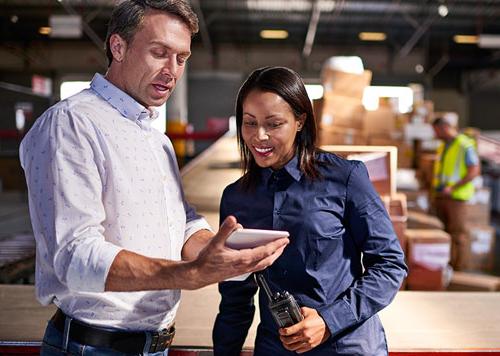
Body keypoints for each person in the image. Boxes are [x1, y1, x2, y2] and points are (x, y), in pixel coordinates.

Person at [19, 2, 288, 355]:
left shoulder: (155, 138)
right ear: (118, 47)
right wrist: (188, 273)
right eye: (159, 53)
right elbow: (75, 256)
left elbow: (179, 223)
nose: (172, 71)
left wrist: (222, 252)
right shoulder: (72, 124)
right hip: (93, 346)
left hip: (153, 346)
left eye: (182, 58)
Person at [212, 66, 407, 355]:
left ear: (300, 121)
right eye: (249, 123)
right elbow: (235, 296)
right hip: (276, 348)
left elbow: (390, 265)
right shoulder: (237, 199)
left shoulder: (345, 178)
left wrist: (330, 320)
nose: (259, 136)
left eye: (274, 124)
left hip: (347, 346)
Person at [431, 116, 480, 269]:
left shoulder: (464, 145)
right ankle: (445, 268)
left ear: (445, 127)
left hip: (456, 197)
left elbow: (474, 171)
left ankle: (459, 270)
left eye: (436, 131)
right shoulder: (443, 146)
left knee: (458, 235)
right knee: (443, 233)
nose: (435, 135)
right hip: (441, 196)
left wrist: (453, 188)